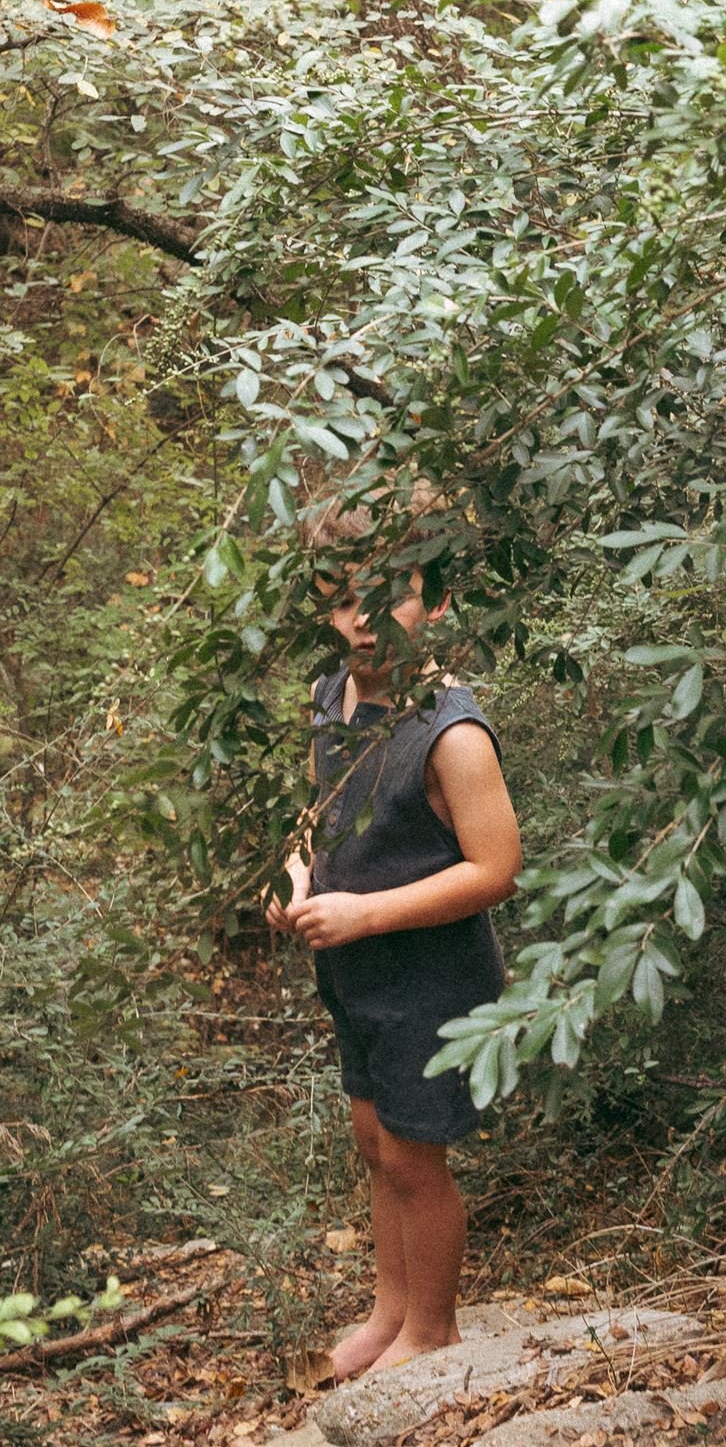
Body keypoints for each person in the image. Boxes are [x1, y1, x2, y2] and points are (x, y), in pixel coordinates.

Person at [265, 496, 522, 1380]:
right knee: (375, 1145)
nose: (361, 623)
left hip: (431, 982)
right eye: (340, 600)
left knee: (417, 1158)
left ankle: (433, 1331)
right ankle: (390, 1309)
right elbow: (318, 817)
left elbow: (494, 870)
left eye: (387, 598)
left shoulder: (448, 731)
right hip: (356, 973)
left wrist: (365, 913)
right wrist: (295, 880)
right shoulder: (328, 697)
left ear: (437, 598)